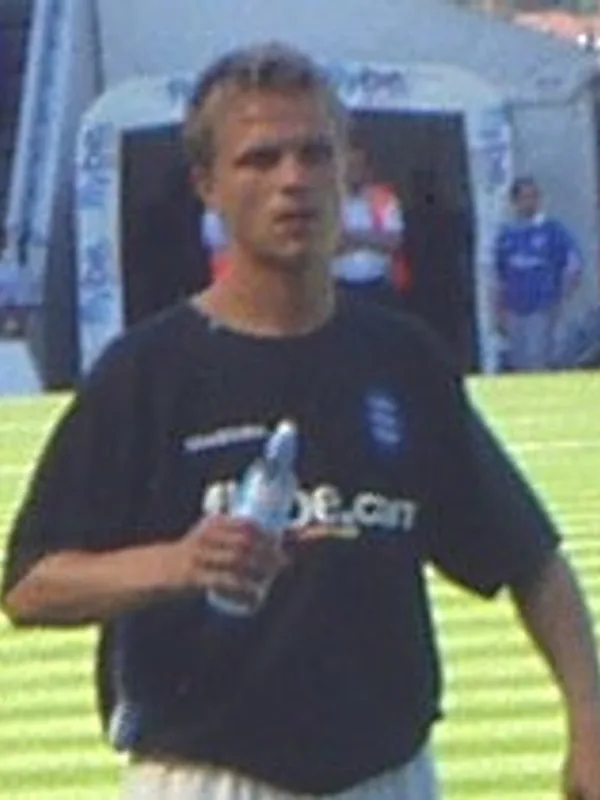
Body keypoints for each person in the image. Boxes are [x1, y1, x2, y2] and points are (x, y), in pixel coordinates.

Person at [2, 42, 600, 800]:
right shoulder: (146, 371)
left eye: (315, 153)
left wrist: (589, 721)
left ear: (347, 170)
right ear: (207, 185)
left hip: (384, 776)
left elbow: (529, 557)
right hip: (210, 776)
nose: (293, 179)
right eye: (260, 159)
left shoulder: (402, 360)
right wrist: (176, 563)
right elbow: (30, 585)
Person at [494, 176, 582, 371]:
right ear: (515, 202)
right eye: (524, 198)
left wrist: (561, 297)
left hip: (541, 308)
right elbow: (501, 277)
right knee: (518, 362)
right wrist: (499, 310)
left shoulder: (552, 230)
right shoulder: (507, 235)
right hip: (514, 310)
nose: (530, 202)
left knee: (538, 360)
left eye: (533, 197)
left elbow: (573, 265)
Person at [331, 133, 407, 309]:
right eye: (349, 166)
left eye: (358, 166)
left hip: (377, 289)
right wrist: (374, 238)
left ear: (367, 169)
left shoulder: (384, 199)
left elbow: (394, 242)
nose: (354, 172)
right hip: (339, 290)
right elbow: (326, 244)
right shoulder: (327, 200)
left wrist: (351, 237)